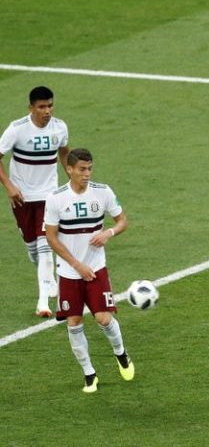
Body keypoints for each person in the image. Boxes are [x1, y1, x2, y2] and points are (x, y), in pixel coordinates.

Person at [44, 148, 134, 393]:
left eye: (90, 169)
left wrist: (108, 232)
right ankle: (89, 373)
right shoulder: (56, 199)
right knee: (73, 323)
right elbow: (51, 238)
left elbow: (122, 220)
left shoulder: (102, 192)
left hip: (95, 268)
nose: (87, 173)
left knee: (103, 318)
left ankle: (121, 353)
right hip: (70, 272)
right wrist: (76, 265)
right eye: (82, 169)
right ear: (69, 169)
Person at [0, 86, 70, 317]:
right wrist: (9, 186)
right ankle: (49, 281)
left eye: (50, 105)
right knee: (33, 249)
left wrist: (73, 182)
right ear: (31, 108)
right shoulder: (17, 129)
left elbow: (64, 153)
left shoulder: (59, 127)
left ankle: (43, 303)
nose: (47, 111)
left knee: (45, 244)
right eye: (41, 107)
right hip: (22, 198)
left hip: (48, 195)